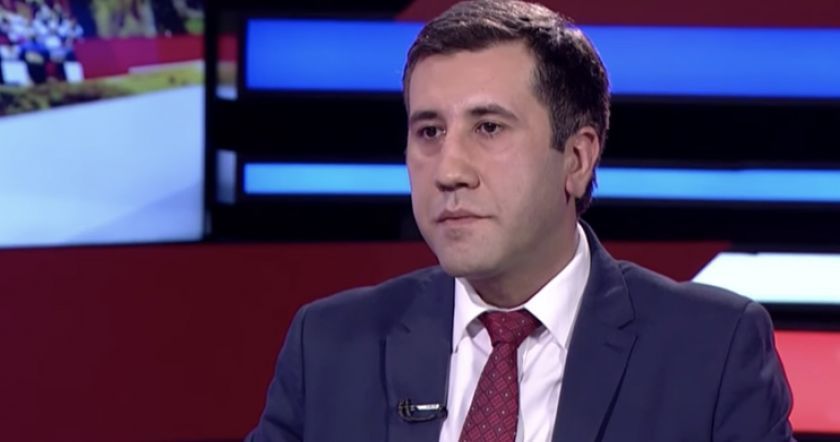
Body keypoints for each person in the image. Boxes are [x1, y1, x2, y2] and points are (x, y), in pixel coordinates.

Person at [246, 1, 795, 441]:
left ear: (576, 159)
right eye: (429, 132)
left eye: (488, 128)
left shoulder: (712, 351)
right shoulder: (329, 346)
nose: (449, 171)